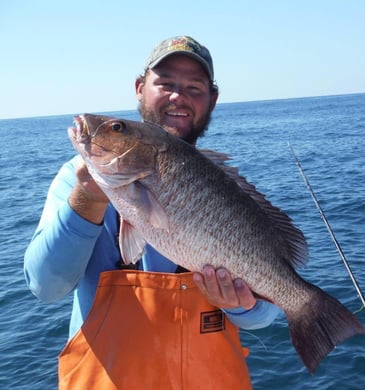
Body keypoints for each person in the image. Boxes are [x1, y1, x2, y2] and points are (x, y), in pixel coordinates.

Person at [24, 36, 280, 389]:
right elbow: (45, 286)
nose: (179, 96)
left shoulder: (223, 186)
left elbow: (267, 313)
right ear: (140, 89)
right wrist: (87, 201)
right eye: (166, 84)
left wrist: (241, 307)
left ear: (212, 99)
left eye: (194, 86)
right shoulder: (77, 178)